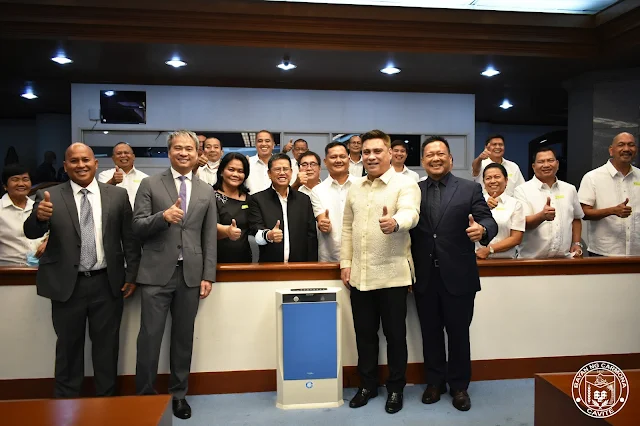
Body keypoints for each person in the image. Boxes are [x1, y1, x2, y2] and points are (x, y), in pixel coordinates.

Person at [23, 143, 140, 398]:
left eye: (85, 160)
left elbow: (129, 239)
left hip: (106, 285)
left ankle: (106, 404)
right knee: (68, 350)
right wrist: (39, 218)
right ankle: (66, 406)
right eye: (73, 161)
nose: (81, 165)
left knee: (107, 350)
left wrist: (131, 275)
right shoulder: (49, 196)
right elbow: (32, 231)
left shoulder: (117, 196)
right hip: (67, 286)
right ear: (65, 167)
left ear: (96, 164)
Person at [132, 130, 217, 420]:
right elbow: (137, 227)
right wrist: (162, 217)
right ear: (169, 152)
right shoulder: (149, 184)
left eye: (189, 149)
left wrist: (208, 274)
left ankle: (179, 394)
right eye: (178, 148)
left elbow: (209, 237)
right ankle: (144, 396)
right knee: (149, 338)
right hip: (156, 274)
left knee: (183, 338)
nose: (184, 153)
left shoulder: (206, 190)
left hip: (191, 275)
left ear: (197, 154)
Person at [410, 136, 497, 412]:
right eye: (429, 155)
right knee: (430, 333)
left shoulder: (469, 189)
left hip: (458, 275)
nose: (435, 158)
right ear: (423, 161)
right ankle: (434, 383)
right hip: (424, 276)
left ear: (450, 159)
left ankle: (459, 387)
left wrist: (483, 231)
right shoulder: (413, 191)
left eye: (440, 154)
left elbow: (487, 219)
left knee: (459, 334)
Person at [340, 130, 420, 415]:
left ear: (390, 153)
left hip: (392, 275)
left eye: (377, 151)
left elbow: (411, 213)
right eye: (366, 152)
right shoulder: (355, 187)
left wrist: (395, 223)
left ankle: (396, 388)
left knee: (396, 336)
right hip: (360, 276)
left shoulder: (405, 184)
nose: (371, 157)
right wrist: (345, 264)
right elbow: (347, 228)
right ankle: (368, 385)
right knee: (364, 335)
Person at [514, 148, 584, 259]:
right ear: (533, 166)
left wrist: (576, 243)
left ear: (557, 164)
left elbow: (576, 218)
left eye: (550, 160)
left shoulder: (570, 189)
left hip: (564, 259)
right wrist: (541, 216)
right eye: (541, 162)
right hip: (531, 261)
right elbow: (522, 224)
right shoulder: (522, 190)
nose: (546, 165)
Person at [249, 153, 318, 262]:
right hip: (269, 267)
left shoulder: (304, 199)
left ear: (291, 172)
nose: (282, 173)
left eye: (285, 169)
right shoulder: (257, 200)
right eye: (277, 169)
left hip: (300, 267)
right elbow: (256, 232)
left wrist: (311, 266)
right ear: (269, 173)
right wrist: (268, 235)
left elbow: (311, 237)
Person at [578, 132, 639, 256]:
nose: (626, 149)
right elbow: (583, 213)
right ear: (611, 150)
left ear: (636, 150)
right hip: (604, 252)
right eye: (621, 145)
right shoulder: (592, 177)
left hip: (637, 252)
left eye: (631, 145)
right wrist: (612, 211)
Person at [312, 142, 356, 262]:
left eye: (342, 156)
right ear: (325, 161)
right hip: (329, 257)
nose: (338, 160)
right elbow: (321, 219)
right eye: (333, 157)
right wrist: (323, 224)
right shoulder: (317, 190)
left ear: (349, 159)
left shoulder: (361, 185)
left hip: (359, 258)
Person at [474, 163, 525, 259]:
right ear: (484, 183)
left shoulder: (515, 204)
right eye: (488, 178)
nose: (493, 181)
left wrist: (489, 250)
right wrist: (484, 208)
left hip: (507, 261)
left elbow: (516, 238)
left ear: (506, 180)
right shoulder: (476, 203)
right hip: (479, 260)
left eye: (497, 177)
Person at [0, 164, 47, 265]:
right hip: (8, 271)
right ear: (5, 186)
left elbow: (54, 231)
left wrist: (48, 241)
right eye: (15, 179)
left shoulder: (40, 206)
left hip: (42, 270)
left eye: (25, 179)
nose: (21, 183)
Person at [213, 153, 253, 263]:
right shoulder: (210, 196)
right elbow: (208, 227)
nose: (235, 174)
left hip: (244, 260)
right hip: (216, 261)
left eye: (240, 171)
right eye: (231, 169)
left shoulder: (250, 199)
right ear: (221, 171)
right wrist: (227, 231)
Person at [97, 142, 149, 208]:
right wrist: (112, 182)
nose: (123, 155)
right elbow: (99, 196)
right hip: (113, 216)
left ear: (133, 157)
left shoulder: (144, 178)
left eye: (126, 153)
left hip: (137, 216)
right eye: (119, 153)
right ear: (113, 158)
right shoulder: (104, 175)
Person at [246, 130, 276, 195]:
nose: (263, 144)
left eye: (267, 141)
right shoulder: (247, 162)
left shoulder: (279, 164)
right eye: (260, 141)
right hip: (251, 203)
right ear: (256, 145)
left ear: (273, 145)